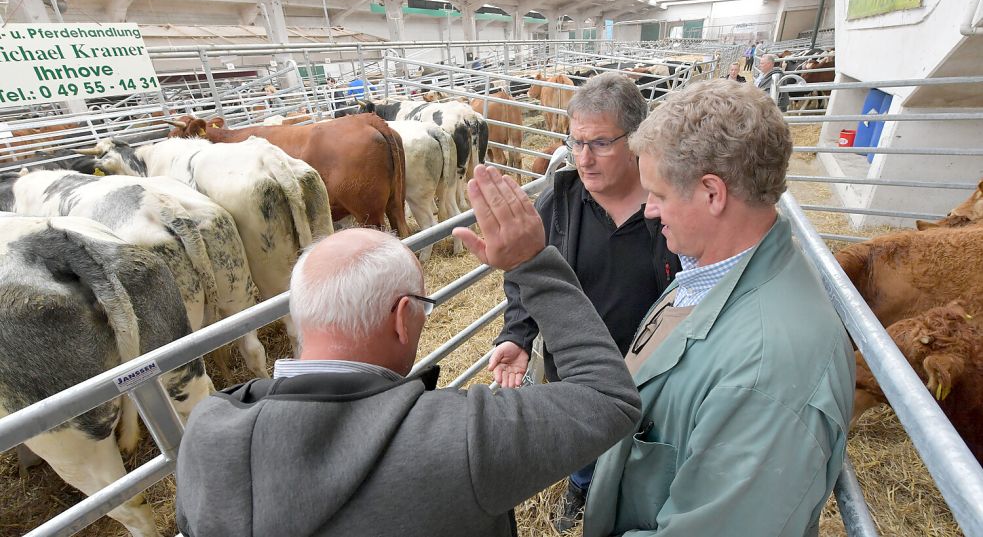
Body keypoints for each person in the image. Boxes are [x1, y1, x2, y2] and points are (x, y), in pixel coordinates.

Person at [174, 165, 643, 537]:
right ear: (403, 318)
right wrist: (532, 265)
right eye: (423, 304)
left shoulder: (208, 433)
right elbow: (609, 400)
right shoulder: (460, 437)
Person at [582, 78, 855, 537]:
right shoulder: (705, 270)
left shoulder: (768, 375)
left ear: (712, 193)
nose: (649, 210)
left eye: (660, 194)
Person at [490, 71, 680, 531]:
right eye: (575, 143)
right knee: (586, 446)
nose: (583, 158)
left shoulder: (669, 203)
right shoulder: (560, 201)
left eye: (599, 143)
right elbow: (525, 276)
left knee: (650, 450)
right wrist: (517, 335)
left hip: (655, 369)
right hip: (575, 370)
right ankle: (581, 485)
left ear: (635, 140)